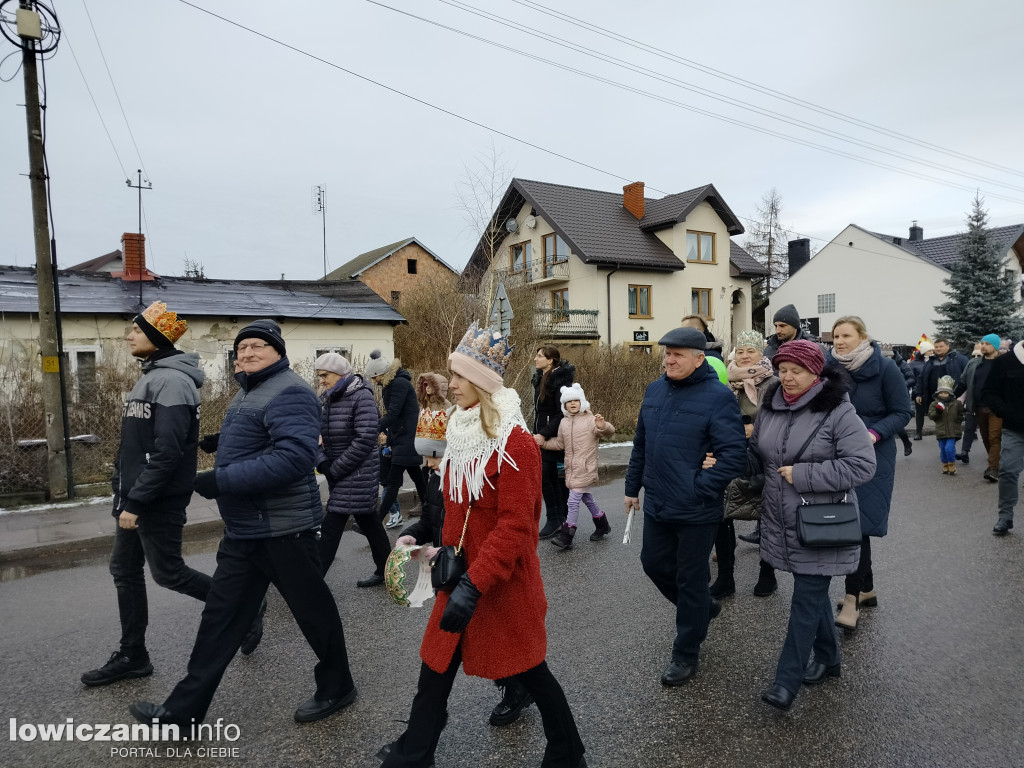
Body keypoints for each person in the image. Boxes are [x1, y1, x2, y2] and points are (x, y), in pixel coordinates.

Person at [129, 319, 357, 727]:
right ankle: (183, 712)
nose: (247, 353)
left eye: (258, 347)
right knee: (220, 618)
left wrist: (221, 480)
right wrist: (222, 442)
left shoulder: (290, 391)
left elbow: (294, 459)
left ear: (278, 353)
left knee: (313, 613)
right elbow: (265, 435)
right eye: (242, 348)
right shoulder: (249, 390)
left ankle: (338, 685)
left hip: (284, 529)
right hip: (246, 530)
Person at [379, 322, 586, 768]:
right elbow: (449, 505)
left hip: (500, 582)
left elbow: (517, 527)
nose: (450, 384)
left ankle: (568, 752)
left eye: (459, 377)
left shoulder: (515, 444)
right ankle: (415, 752)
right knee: (434, 668)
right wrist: (420, 530)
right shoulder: (459, 430)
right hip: (459, 576)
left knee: (531, 670)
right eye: (451, 376)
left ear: (483, 383)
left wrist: (475, 584)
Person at [82, 302, 215, 687]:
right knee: (124, 570)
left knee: (169, 573)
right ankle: (133, 655)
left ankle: (244, 605)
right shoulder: (152, 376)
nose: (129, 335)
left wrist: (137, 501)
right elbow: (139, 445)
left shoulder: (171, 380)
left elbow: (168, 450)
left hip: (154, 499)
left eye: (136, 330)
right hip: (134, 496)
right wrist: (123, 491)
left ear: (155, 337)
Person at [751, 340, 876, 711]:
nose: (788, 378)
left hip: (823, 523)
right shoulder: (771, 408)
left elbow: (862, 466)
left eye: (797, 371)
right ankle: (829, 657)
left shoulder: (838, 411)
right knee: (813, 592)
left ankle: (786, 682)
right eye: (783, 369)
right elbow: (759, 458)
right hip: (783, 518)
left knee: (805, 598)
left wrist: (804, 474)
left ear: (816, 373)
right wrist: (719, 458)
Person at [624, 327, 746, 686]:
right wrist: (633, 488)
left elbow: (734, 455)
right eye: (667, 354)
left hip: (696, 509)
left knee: (691, 580)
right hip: (659, 502)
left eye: (678, 354)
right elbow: (641, 443)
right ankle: (703, 611)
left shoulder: (718, 396)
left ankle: (686, 650)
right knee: (654, 564)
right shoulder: (655, 389)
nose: (670, 359)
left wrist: (699, 486)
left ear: (698, 358)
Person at [827, 317, 912, 633]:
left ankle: (851, 599)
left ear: (862, 337)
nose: (839, 341)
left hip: (873, 455)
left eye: (846, 335)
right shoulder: (829, 367)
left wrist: (875, 433)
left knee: (857, 525)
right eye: (836, 335)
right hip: (836, 454)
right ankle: (868, 589)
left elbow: (903, 412)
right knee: (851, 520)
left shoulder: (885, 368)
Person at [314, 352, 393, 588]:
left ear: (340, 373)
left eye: (325, 375)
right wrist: (322, 462)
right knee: (370, 523)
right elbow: (317, 436)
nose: (321, 381)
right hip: (340, 473)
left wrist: (334, 468)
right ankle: (386, 571)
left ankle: (311, 583)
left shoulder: (361, 397)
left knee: (332, 525)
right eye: (319, 376)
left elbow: (365, 438)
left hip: (358, 473)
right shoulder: (328, 399)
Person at [712, 330, 778, 598]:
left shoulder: (772, 383)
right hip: (727, 453)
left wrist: (755, 430)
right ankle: (726, 577)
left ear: (761, 354)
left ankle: (768, 572)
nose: (744, 356)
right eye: (740, 351)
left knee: (767, 515)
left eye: (750, 351)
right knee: (721, 514)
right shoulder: (726, 382)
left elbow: (779, 419)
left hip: (762, 456)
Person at [537, 382, 615, 550]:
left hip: (586, 468)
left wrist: (603, 426)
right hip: (572, 470)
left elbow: (608, 432)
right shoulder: (564, 423)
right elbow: (559, 443)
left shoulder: (590, 420)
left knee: (572, 501)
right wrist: (542, 443)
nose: (573, 404)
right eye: (569, 402)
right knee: (586, 498)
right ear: (564, 405)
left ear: (582, 402)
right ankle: (602, 525)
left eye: (576, 401)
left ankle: (567, 535)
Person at [366, 350, 429, 529]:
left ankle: (376, 522)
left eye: (374, 377)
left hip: (407, 437)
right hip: (401, 436)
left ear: (381, 373)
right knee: (417, 477)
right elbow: (394, 415)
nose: (373, 381)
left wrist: (374, 427)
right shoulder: (390, 385)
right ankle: (430, 511)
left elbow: (393, 414)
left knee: (394, 482)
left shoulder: (399, 384)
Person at [532, 346, 575, 539]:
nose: (536, 359)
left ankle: (561, 520)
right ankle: (556, 519)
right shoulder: (542, 378)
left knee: (554, 480)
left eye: (540, 356)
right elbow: (541, 411)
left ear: (550, 360)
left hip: (555, 436)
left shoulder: (560, 382)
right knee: (547, 479)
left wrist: (544, 433)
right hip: (543, 434)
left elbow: (561, 413)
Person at [982, 338, 1024, 536]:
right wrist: (1006, 412)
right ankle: (1005, 516)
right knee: (1007, 471)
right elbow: (990, 393)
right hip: (1014, 429)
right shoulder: (1005, 362)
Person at [958, 334, 1003, 481]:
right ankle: (996, 462)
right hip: (978, 406)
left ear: (995, 347)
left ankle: (992, 468)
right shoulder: (974, 363)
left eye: (987, 344)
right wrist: (952, 397)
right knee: (985, 437)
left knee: (994, 436)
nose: (983, 346)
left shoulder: (1003, 363)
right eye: (982, 343)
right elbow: (963, 383)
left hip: (997, 408)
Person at [913, 337, 967, 421]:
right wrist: (919, 393)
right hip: (934, 398)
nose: (938, 349)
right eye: (936, 347)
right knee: (939, 422)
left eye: (941, 346)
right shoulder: (930, 362)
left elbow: (967, 376)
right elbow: (921, 378)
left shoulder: (959, 359)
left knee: (953, 420)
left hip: (953, 397)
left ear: (948, 346)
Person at [928, 375, 964, 475]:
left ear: (950, 393)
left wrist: (959, 419)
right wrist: (938, 412)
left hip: (953, 431)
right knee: (943, 449)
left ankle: (952, 463)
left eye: (946, 392)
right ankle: (945, 464)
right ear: (938, 393)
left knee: (949, 448)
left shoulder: (957, 403)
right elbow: (931, 416)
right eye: (941, 392)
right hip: (941, 431)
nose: (943, 394)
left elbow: (961, 413)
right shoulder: (934, 404)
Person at [955, 343, 984, 463]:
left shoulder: (992, 364)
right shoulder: (970, 364)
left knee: (988, 433)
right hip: (972, 403)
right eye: (974, 355)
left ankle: (995, 457)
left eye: (979, 355)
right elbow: (963, 382)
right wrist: (954, 397)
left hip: (986, 405)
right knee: (969, 428)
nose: (976, 357)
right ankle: (965, 452)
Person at [885, 346, 915, 456]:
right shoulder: (879, 363)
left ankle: (906, 443)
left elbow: (911, 378)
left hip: (898, 395)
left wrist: (901, 385)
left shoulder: (901, 363)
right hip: (884, 395)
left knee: (896, 421)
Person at [909, 342, 934, 440]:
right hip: (920, 392)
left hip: (932, 391)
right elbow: (912, 378)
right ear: (924, 352)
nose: (932, 352)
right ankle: (918, 432)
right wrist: (916, 392)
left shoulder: (934, 361)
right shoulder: (914, 364)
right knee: (919, 413)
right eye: (930, 350)